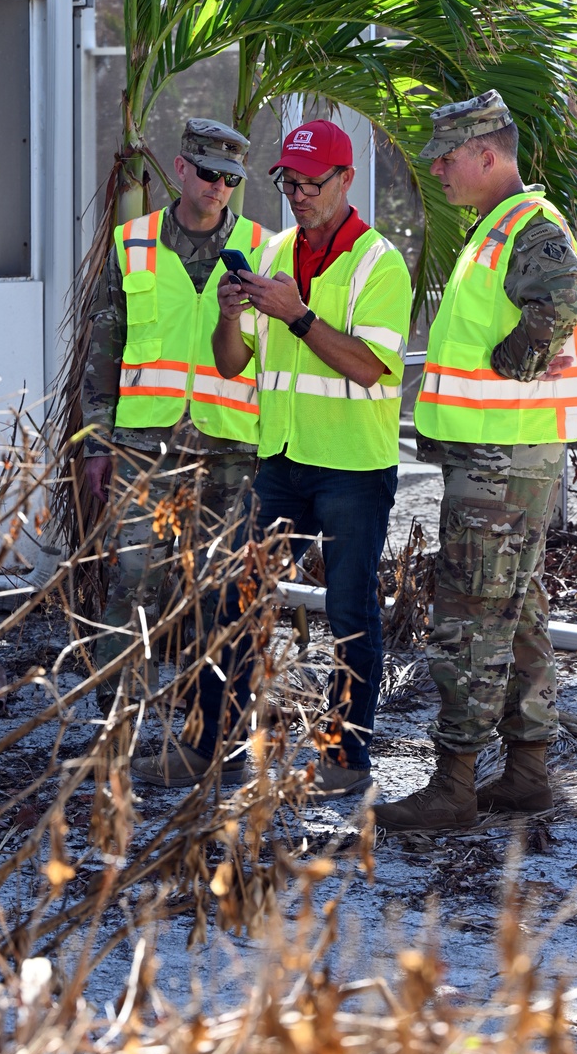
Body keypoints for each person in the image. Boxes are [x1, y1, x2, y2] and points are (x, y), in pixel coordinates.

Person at [139, 118, 413, 790]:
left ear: (346, 179)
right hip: (280, 462)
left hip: (352, 466)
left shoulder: (380, 263)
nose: (297, 195)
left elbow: (371, 368)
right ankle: (211, 750)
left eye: (311, 183)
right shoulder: (274, 251)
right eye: (288, 183)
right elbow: (233, 366)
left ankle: (346, 762)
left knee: (349, 613)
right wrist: (231, 315)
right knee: (231, 598)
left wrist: (297, 316)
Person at [374, 91, 577, 834]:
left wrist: (517, 361)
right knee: (519, 607)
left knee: (471, 614)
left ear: (486, 155)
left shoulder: (527, 228)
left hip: (500, 461)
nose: (435, 170)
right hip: (503, 456)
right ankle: (528, 771)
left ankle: (454, 785)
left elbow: (561, 295)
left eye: (446, 157)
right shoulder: (497, 229)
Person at [81, 118, 265, 715]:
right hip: (144, 444)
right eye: (208, 173)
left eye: (230, 179)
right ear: (181, 168)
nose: (218, 188)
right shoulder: (131, 242)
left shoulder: (263, 250)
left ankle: (207, 724)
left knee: (219, 590)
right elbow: (105, 347)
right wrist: (96, 444)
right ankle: (119, 718)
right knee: (133, 580)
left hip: (230, 449)